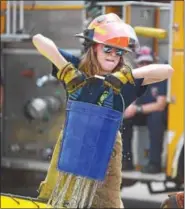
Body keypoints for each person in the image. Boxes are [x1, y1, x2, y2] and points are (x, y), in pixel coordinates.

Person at [32, 13, 174, 208]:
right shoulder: (77, 68)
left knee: (107, 203)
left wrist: (127, 76)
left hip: (108, 151)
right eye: (108, 48)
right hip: (72, 141)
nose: (113, 55)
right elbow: (38, 40)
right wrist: (66, 69)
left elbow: (167, 71)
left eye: (119, 52)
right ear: (94, 47)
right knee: (55, 199)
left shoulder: (126, 83)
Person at [123, 46, 168, 173]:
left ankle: (154, 163)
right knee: (124, 120)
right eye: (142, 62)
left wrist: (136, 109)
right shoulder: (135, 79)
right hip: (141, 113)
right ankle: (126, 161)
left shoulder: (160, 78)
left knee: (156, 118)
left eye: (148, 62)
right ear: (137, 64)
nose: (145, 65)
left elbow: (160, 104)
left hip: (154, 114)